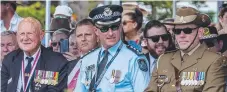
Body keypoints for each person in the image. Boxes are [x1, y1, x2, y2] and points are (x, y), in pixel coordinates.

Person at [145, 7, 227, 92]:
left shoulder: (214, 61)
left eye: (187, 30)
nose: (182, 35)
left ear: (200, 32)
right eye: (177, 31)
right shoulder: (162, 59)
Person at [74, 5, 150, 92]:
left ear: (120, 27)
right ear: (96, 31)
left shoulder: (134, 59)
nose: (110, 33)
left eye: (114, 27)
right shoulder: (87, 59)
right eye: (104, 29)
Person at [1, 17, 68, 92]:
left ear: (41, 35)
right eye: (22, 34)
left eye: (30, 33)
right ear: (17, 36)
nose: (25, 38)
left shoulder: (56, 62)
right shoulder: (9, 59)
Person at [66, 19, 99, 91]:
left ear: (97, 37)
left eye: (88, 34)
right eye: (79, 36)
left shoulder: (105, 61)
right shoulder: (69, 65)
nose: (83, 39)